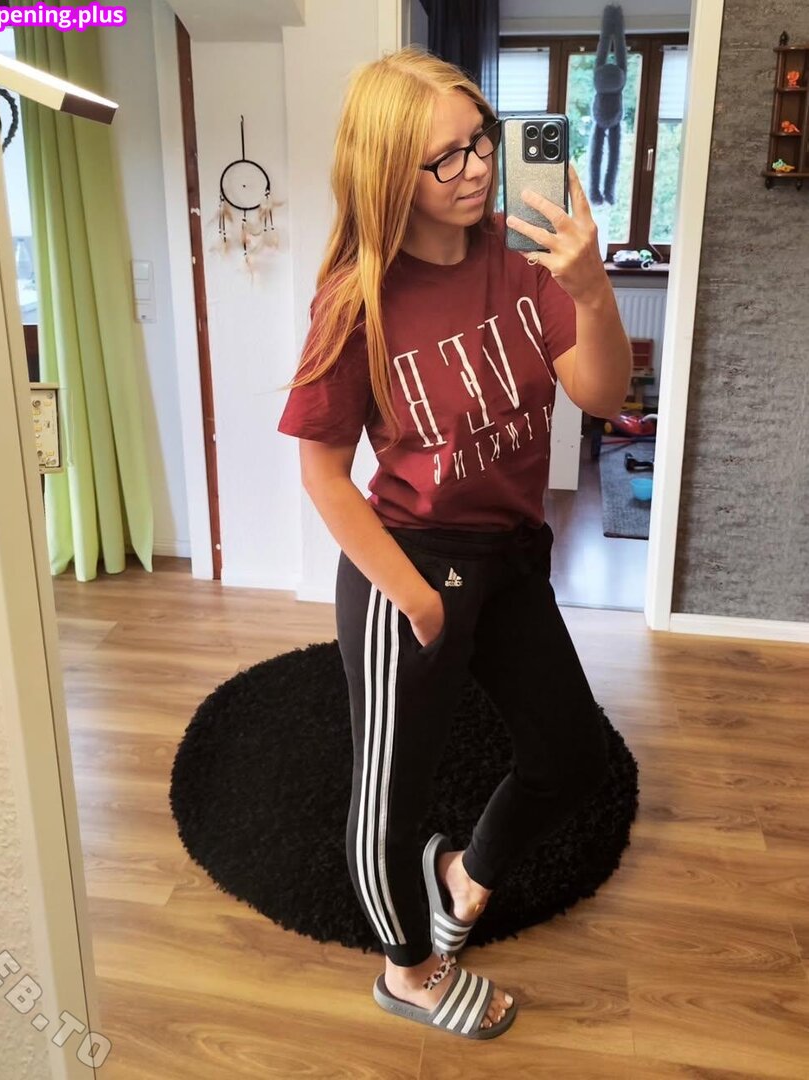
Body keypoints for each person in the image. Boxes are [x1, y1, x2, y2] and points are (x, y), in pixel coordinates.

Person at [276, 46, 631, 1040]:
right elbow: (321, 473)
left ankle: (464, 874)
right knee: (389, 799)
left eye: (480, 141)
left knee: (568, 754)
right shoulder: (356, 298)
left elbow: (601, 395)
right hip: (408, 560)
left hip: (511, 557)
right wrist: (417, 600)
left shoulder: (524, 258)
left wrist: (592, 289)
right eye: (445, 157)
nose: (474, 169)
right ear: (389, 172)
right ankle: (407, 972)